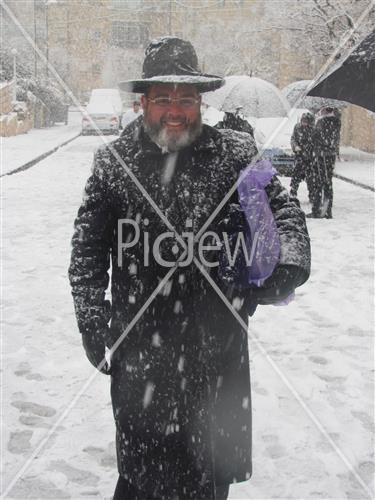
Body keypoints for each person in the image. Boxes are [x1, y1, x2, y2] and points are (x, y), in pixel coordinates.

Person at [69, 37, 311, 500]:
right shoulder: (113, 163)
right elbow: (88, 248)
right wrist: (91, 316)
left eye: (185, 98)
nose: (174, 110)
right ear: (143, 103)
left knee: (210, 476)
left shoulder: (237, 154)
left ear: (200, 101)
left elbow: (284, 212)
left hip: (218, 347)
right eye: (163, 99)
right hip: (142, 349)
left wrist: (290, 263)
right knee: (143, 477)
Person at [309, 106, 340, 218]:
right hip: (330, 155)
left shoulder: (322, 122)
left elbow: (314, 137)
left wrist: (317, 122)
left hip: (321, 156)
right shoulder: (337, 121)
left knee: (319, 183)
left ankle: (318, 211)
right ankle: (327, 210)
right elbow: (334, 139)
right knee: (327, 183)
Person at [289, 112, 315, 200]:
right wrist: (295, 146)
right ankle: (293, 192)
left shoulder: (313, 130)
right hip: (299, 156)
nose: (304, 123)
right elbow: (293, 138)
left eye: (306, 122)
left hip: (310, 158)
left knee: (311, 178)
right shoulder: (297, 127)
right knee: (296, 175)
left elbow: (316, 143)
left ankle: (312, 194)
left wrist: (311, 150)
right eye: (303, 121)